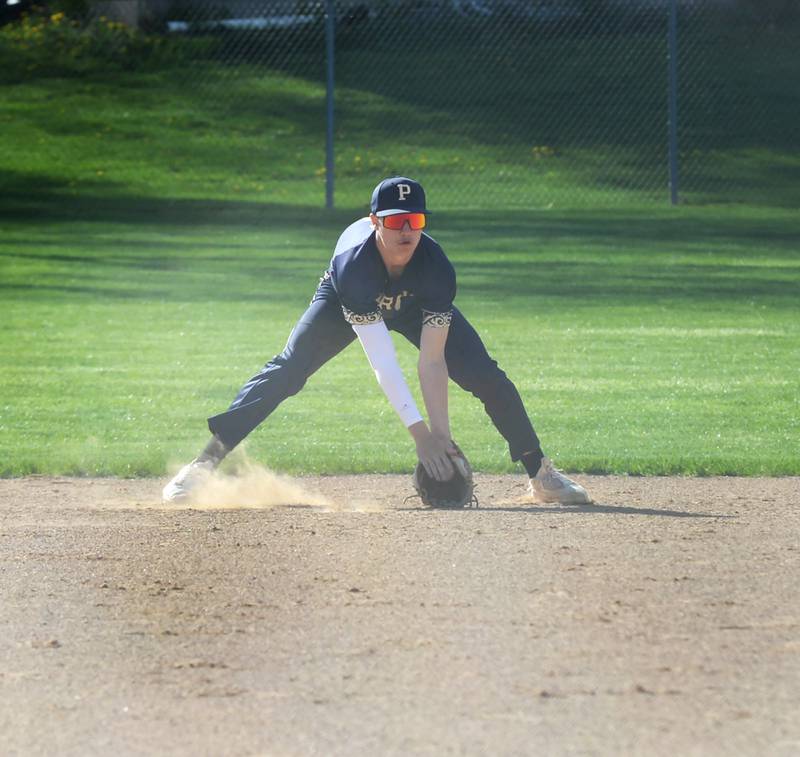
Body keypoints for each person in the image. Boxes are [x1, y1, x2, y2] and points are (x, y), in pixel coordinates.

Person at [162, 177, 591, 505]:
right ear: (374, 223)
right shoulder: (355, 268)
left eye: (416, 221)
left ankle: (541, 475)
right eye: (394, 222)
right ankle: (203, 464)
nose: (407, 230)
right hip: (347, 299)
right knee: (289, 369)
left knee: (486, 375)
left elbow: (432, 361)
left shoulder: (437, 268)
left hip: (416, 302)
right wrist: (419, 435)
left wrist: (442, 434)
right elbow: (382, 361)